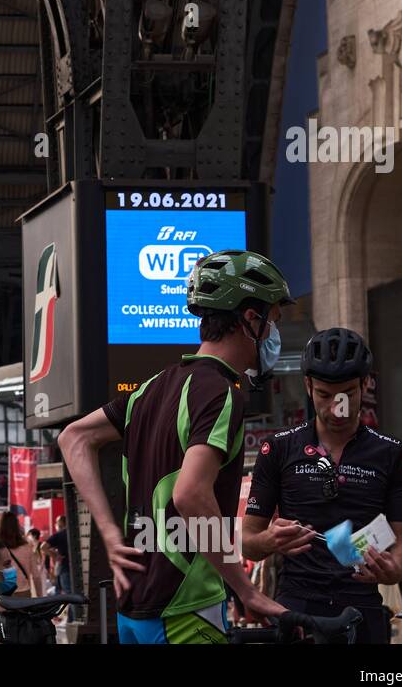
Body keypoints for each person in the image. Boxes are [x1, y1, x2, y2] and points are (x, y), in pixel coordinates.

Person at [59, 250, 294, 644]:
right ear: (251, 320)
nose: (274, 332)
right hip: (185, 609)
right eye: (274, 320)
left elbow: (74, 438)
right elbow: (190, 495)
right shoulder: (221, 393)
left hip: (133, 609)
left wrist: (111, 537)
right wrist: (246, 588)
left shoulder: (150, 389)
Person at [243, 327, 402, 644]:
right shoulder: (278, 449)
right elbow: (247, 540)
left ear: (366, 384)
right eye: (325, 395)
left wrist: (395, 568)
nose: (337, 407)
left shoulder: (394, 454)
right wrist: (270, 540)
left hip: (361, 606)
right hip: (297, 608)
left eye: (347, 394)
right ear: (308, 386)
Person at [0, 511, 44, 598]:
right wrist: (40, 598)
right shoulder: (27, 548)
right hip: (24, 594)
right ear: (16, 527)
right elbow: (36, 576)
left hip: (2, 596)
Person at [45, 516, 70, 594]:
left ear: (61, 523)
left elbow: (43, 547)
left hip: (64, 568)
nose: (55, 525)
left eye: (57, 522)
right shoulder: (74, 533)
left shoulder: (59, 535)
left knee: (65, 591)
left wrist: (54, 555)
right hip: (74, 568)